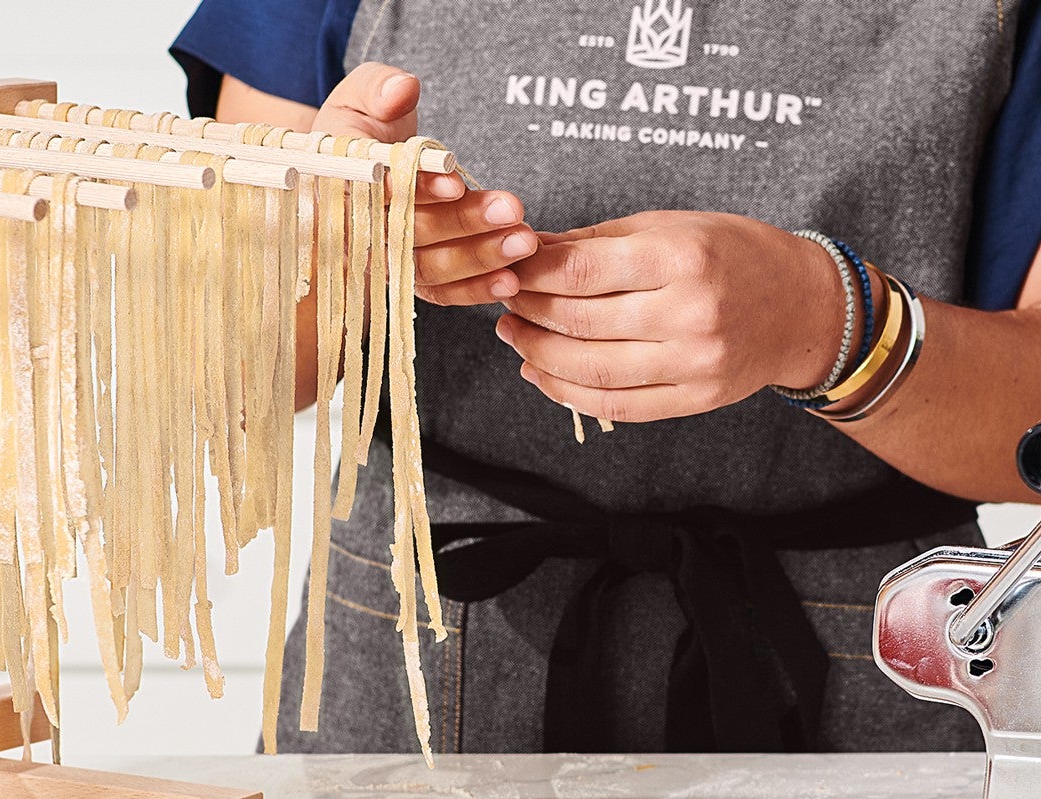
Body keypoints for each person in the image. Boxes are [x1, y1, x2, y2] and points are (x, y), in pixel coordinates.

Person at [171, 0, 1041, 753]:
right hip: (410, 652)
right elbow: (223, 372)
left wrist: (824, 319)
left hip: (859, 669)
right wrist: (326, 246)